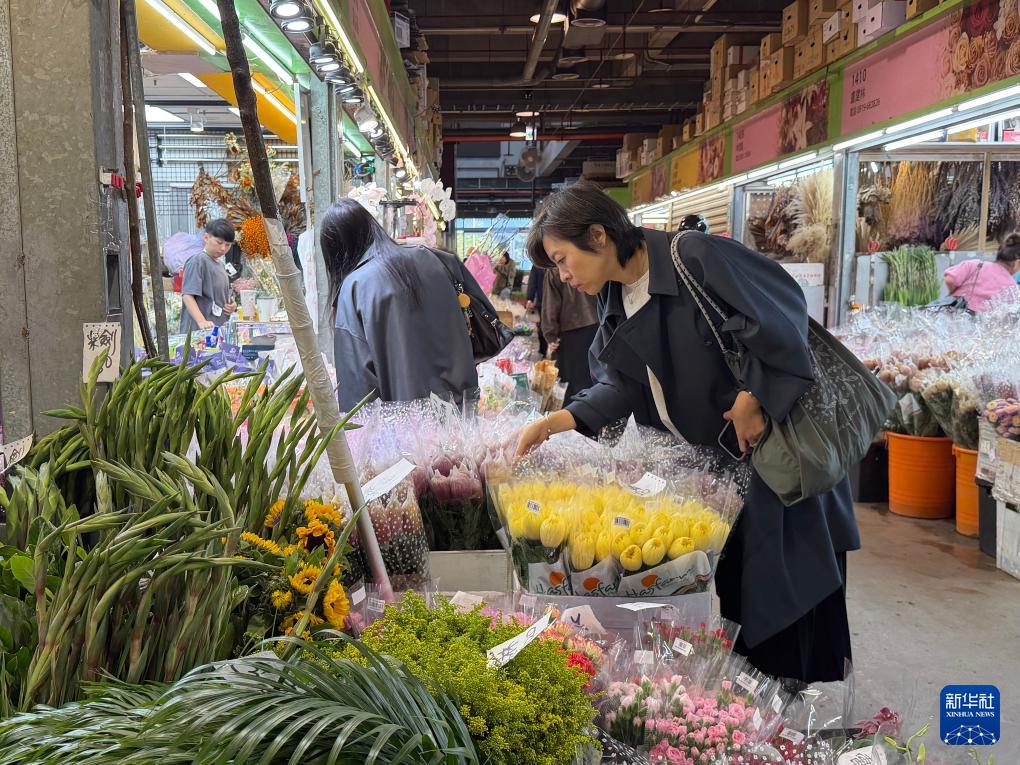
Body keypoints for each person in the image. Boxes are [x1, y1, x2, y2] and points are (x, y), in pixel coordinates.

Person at [516, 181, 860, 685]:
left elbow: (784, 309)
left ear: (598, 235)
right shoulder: (615, 297)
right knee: (741, 596)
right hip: (723, 475)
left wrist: (755, 394)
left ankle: (791, 715)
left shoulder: (693, 257)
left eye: (563, 260)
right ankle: (753, 711)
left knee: (786, 596)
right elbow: (623, 384)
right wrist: (557, 421)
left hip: (774, 462)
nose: (564, 277)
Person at [321, 199, 495, 411]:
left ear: (336, 250)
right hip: (461, 412)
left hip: (405, 424)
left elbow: (357, 393)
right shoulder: (436, 259)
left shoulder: (354, 288)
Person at [541, 268, 599, 401]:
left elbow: (550, 306)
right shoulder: (585, 260)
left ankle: (575, 413)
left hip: (569, 331)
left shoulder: (555, 269)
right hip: (595, 323)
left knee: (570, 384)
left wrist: (550, 336)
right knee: (592, 378)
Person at [179, 219, 237, 334]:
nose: (223, 248)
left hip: (216, 330)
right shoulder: (197, 261)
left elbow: (219, 294)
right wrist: (202, 321)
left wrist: (232, 304)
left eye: (227, 245)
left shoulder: (220, 265)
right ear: (206, 237)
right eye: (219, 242)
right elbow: (187, 295)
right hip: (199, 333)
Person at [943, 233, 1020, 311]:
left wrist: (956, 295)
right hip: (982, 317)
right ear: (1018, 263)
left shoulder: (975, 265)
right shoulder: (1012, 287)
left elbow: (950, 280)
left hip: (956, 313)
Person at [526, 267, 548, 357]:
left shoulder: (537, 264)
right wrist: (530, 298)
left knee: (542, 327)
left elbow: (532, 282)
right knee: (545, 327)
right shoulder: (555, 262)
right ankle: (546, 351)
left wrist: (530, 298)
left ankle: (543, 351)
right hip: (548, 301)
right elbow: (533, 282)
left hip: (542, 301)